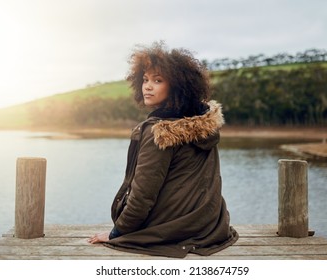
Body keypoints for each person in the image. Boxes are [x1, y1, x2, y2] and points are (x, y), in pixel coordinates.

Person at [88, 42, 238, 258]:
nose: (147, 86)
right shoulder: (204, 124)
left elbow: (143, 195)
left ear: (177, 86)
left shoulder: (160, 132)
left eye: (158, 80)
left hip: (172, 228)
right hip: (208, 224)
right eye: (145, 79)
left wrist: (117, 232)